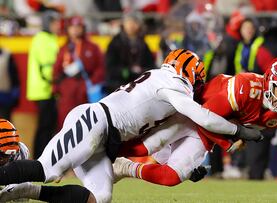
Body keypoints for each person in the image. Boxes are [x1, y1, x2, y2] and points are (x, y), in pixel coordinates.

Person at [0, 49, 262, 203]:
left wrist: (186, 167)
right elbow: (204, 117)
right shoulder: (173, 84)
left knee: (99, 198)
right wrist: (238, 130)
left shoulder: (165, 84)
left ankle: (23, 191)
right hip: (95, 122)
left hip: (103, 137)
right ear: (191, 73)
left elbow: (162, 142)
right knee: (47, 169)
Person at [111, 55, 277, 202]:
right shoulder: (245, 87)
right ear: (269, 80)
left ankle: (123, 169)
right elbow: (205, 117)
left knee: (170, 176)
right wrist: (229, 141)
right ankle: (98, 153)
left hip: (210, 134)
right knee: (142, 148)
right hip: (191, 113)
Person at [53, 16, 105, 126]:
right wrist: (58, 88)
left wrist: (90, 84)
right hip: (67, 94)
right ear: (68, 29)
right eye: (72, 27)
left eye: (78, 26)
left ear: (83, 28)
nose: (75, 29)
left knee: (87, 125)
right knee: (66, 124)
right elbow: (56, 70)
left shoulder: (93, 47)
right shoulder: (63, 49)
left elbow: (101, 68)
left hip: (85, 92)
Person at [26, 10, 61, 159]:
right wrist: (56, 82)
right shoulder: (44, 39)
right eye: (55, 22)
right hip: (44, 90)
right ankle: (41, 160)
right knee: (45, 127)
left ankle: (41, 159)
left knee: (46, 127)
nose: (58, 25)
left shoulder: (45, 38)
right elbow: (47, 67)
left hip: (43, 89)